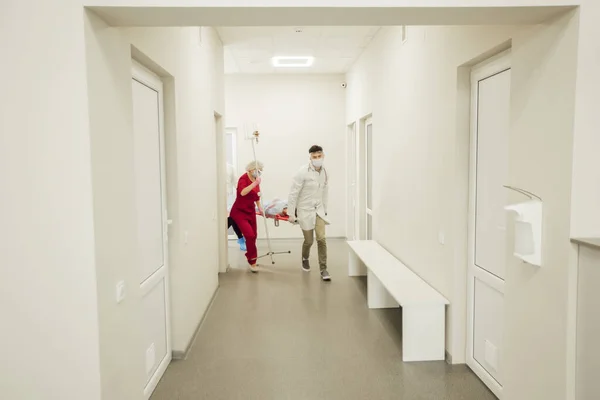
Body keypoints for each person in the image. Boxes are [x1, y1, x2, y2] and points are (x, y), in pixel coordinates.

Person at [288, 145, 331, 281]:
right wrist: (291, 213)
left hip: (318, 210)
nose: (317, 159)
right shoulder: (302, 172)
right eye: (314, 157)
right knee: (309, 240)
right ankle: (305, 258)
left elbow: (324, 191)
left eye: (319, 156)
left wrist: (325, 209)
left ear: (323, 155)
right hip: (304, 210)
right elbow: (293, 193)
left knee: (321, 239)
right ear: (310, 157)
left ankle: (323, 269)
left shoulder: (325, 172)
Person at [230, 160, 264, 272]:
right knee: (249, 235)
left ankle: (251, 258)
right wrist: (254, 183)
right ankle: (252, 262)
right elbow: (243, 192)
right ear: (250, 169)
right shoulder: (243, 179)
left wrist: (260, 208)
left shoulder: (256, 180)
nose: (258, 172)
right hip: (239, 212)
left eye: (260, 170)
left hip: (250, 211)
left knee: (254, 235)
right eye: (257, 170)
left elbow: (257, 196)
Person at [226, 163, 246, 251]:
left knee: (233, 216)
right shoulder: (213, 166)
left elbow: (236, 183)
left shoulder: (230, 167)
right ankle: (216, 238)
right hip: (216, 198)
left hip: (228, 197)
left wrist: (244, 194)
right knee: (227, 219)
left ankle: (240, 239)